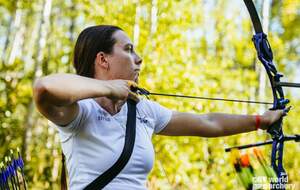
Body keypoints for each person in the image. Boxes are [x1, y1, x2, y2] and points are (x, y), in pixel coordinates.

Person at [33, 25, 285, 190]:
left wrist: (259, 121)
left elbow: (208, 122)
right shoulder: (80, 112)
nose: (138, 59)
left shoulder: (143, 110)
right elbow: (44, 87)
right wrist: (110, 89)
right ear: (103, 59)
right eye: (129, 50)